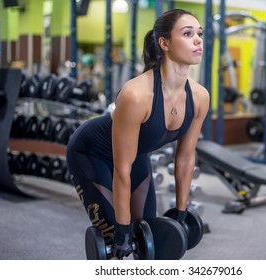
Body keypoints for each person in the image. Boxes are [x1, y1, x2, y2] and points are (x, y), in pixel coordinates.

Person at [66, 8, 210, 259]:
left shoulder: (199, 97)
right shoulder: (136, 95)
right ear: (164, 43)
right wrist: (122, 231)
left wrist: (181, 211)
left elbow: (186, 158)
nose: (198, 39)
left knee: (148, 234)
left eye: (199, 33)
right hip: (91, 152)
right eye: (188, 34)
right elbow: (122, 168)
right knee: (114, 237)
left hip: (135, 155)